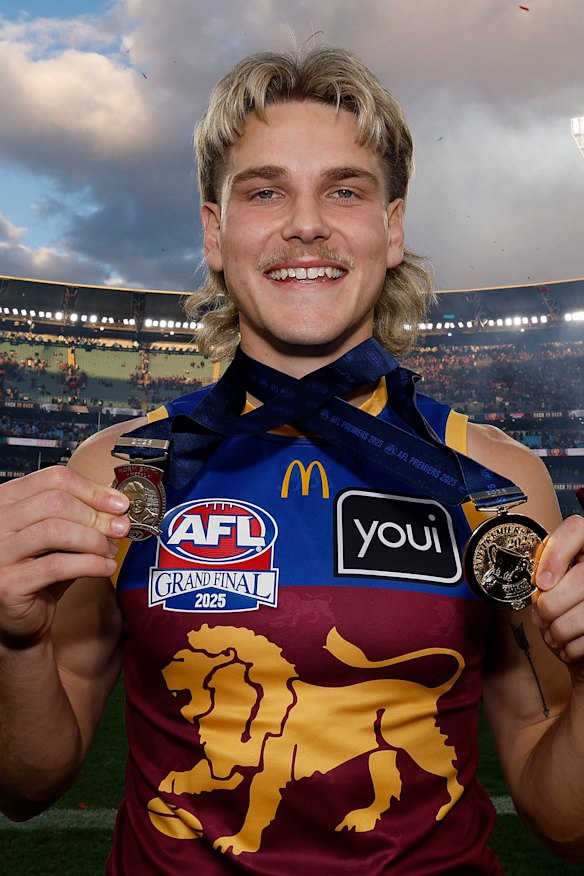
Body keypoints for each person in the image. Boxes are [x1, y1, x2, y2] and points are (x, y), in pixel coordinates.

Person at [1, 46, 584, 875]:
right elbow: (26, 786)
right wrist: (15, 638)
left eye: (344, 190)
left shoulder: (498, 485)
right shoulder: (119, 474)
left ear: (391, 227)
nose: (305, 224)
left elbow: (564, 823)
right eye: (265, 191)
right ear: (215, 231)